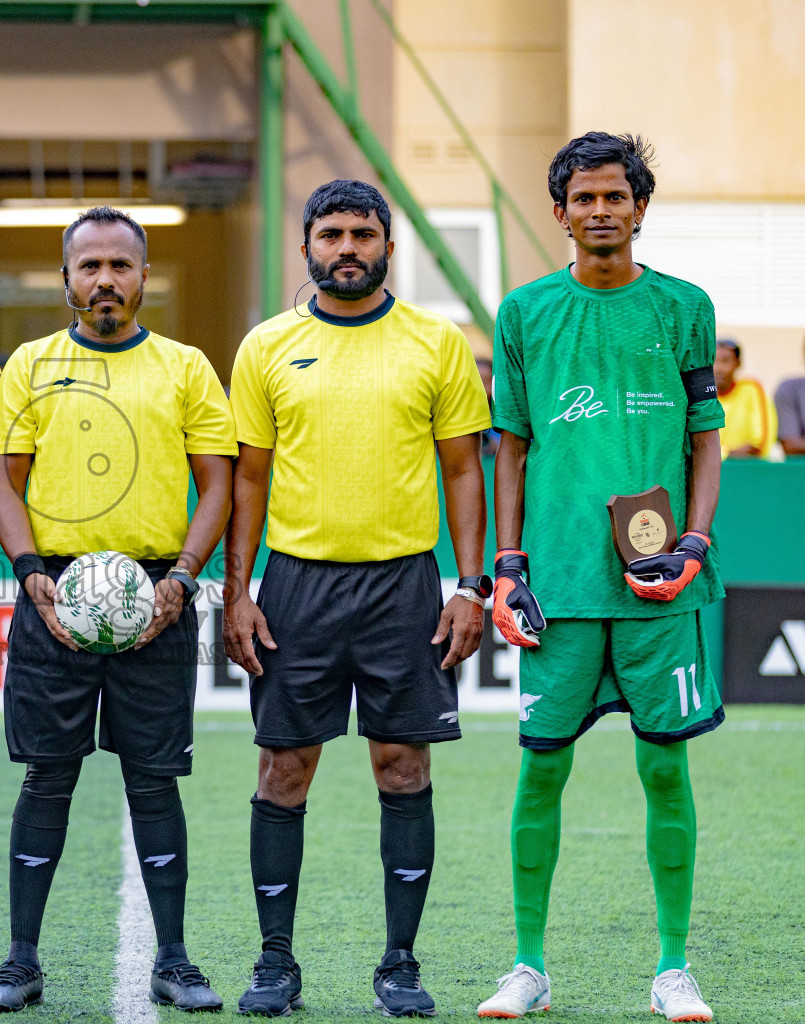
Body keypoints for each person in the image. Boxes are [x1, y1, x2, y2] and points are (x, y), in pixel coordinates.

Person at [224, 179, 490, 1019]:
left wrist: (470, 585)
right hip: (296, 585)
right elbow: (249, 479)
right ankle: (275, 963)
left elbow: (461, 470)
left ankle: (400, 964)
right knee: (285, 769)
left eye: (363, 234)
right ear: (307, 243)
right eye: (332, 233)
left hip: (403, 585)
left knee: (402, 765)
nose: (348, 247)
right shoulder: (266, 345)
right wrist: (237, 592)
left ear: (387, 246)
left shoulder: (435, 343)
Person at [476, 133, 723, 1022]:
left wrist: (694, 543)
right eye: (583, 198)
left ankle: (673, 968)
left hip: (664, 586)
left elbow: (705, 438)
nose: (600, 211)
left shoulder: (686, 307)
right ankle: (528, 968)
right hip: (562, 588)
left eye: (615, 196)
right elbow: (512, 449)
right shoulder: (524, 314)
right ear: (560, 213)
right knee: (541, 773)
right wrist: (508, 567)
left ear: (640, 208)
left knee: (666, 771)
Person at [0, 206, 235, 1014]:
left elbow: (219, 481)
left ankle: (175, 959)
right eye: (88, 266)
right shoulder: (29, 365)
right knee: (46, 780)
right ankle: (20, 960)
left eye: (120, 265)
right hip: (52, 597)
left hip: (157, 598)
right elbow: (4, 483)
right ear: (66, 280)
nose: (104, 280)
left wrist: (184, 579)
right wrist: (27, 576)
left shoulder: (185, 367)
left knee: (155, 782)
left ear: (143, 277)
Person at [712, 339, 774, 459]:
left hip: (746, 470)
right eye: (714, 361)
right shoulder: (696, 395)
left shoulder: (751, 389)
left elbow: (758, 445)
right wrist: (729, 452)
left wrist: (717, 453)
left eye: (726, 361)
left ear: (738, 363)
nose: (718, 368)